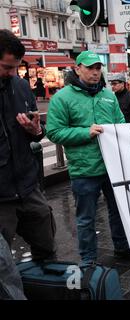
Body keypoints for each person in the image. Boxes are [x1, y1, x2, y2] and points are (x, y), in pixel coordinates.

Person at [46, 50, 130, 265]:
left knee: (118, 211)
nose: (95, 72)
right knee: (85, 218)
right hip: (84, 170)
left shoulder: (108, 96)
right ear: (77, 69)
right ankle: (88, 259)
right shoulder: (62, 98)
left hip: (112, 167)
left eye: (98, 68)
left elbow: (120, 123)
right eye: (90, 67)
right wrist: (85, 132)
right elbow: (54, 132)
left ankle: (122, 247)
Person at [0, 30, 56, 262]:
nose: (13, 73)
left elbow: (35, 133)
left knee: (47, 248)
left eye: (16, 67)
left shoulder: (21, 86)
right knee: (3, 267)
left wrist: (36, 131)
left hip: (28, 187)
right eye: (6, 67)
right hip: (1, 197)